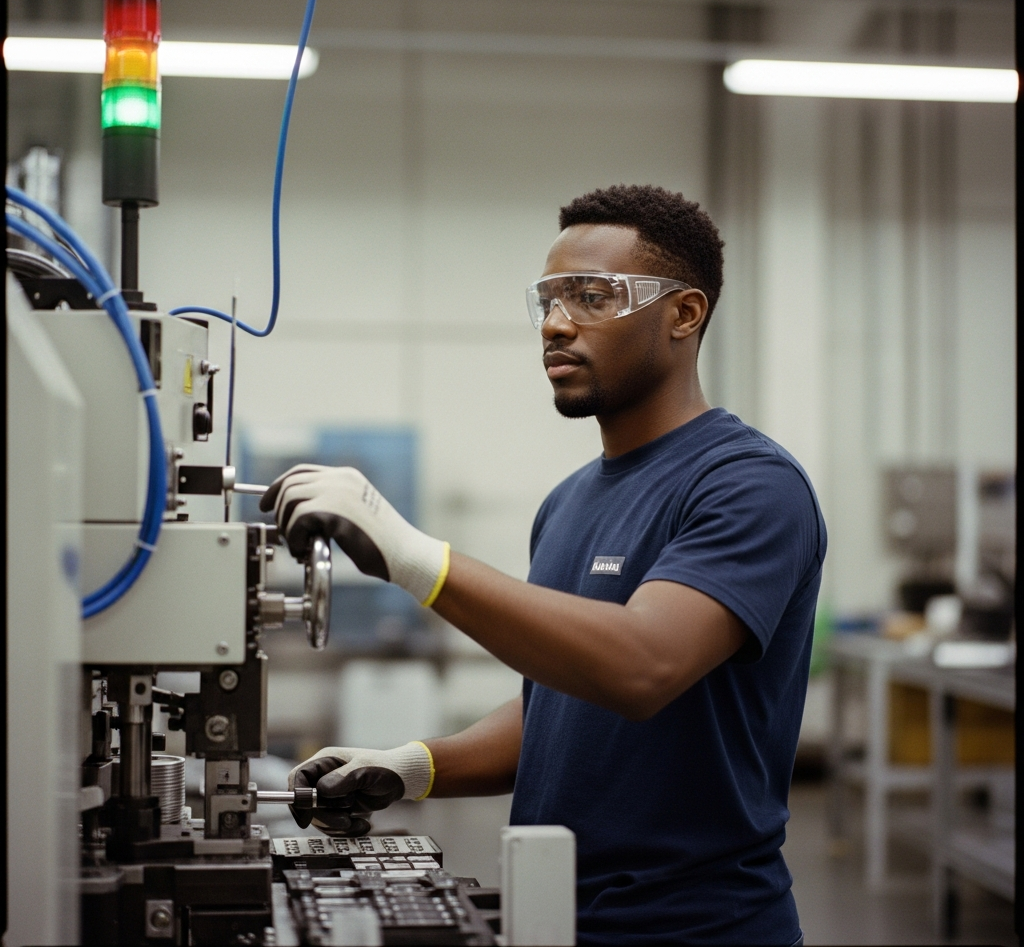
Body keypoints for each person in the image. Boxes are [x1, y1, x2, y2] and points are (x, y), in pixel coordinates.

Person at [260, 184, 826, 946]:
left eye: (592, 297)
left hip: (694, 927)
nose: (557, 324)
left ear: (684, 315)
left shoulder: (749, 485)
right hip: (556, 914)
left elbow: (640, 667)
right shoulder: (567, 503)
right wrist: (413, 766)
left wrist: (412, 557)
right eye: (549, 299)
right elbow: (563, 704)